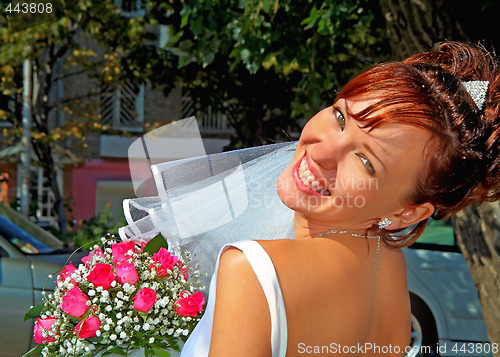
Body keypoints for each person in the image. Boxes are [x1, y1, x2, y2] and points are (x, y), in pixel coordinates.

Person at [122, 41, 500, 356]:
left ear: (406, 213)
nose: (322, 152)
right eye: (340, 117)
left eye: (366, 160)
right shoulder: (389, 269)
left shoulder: (253, 269)